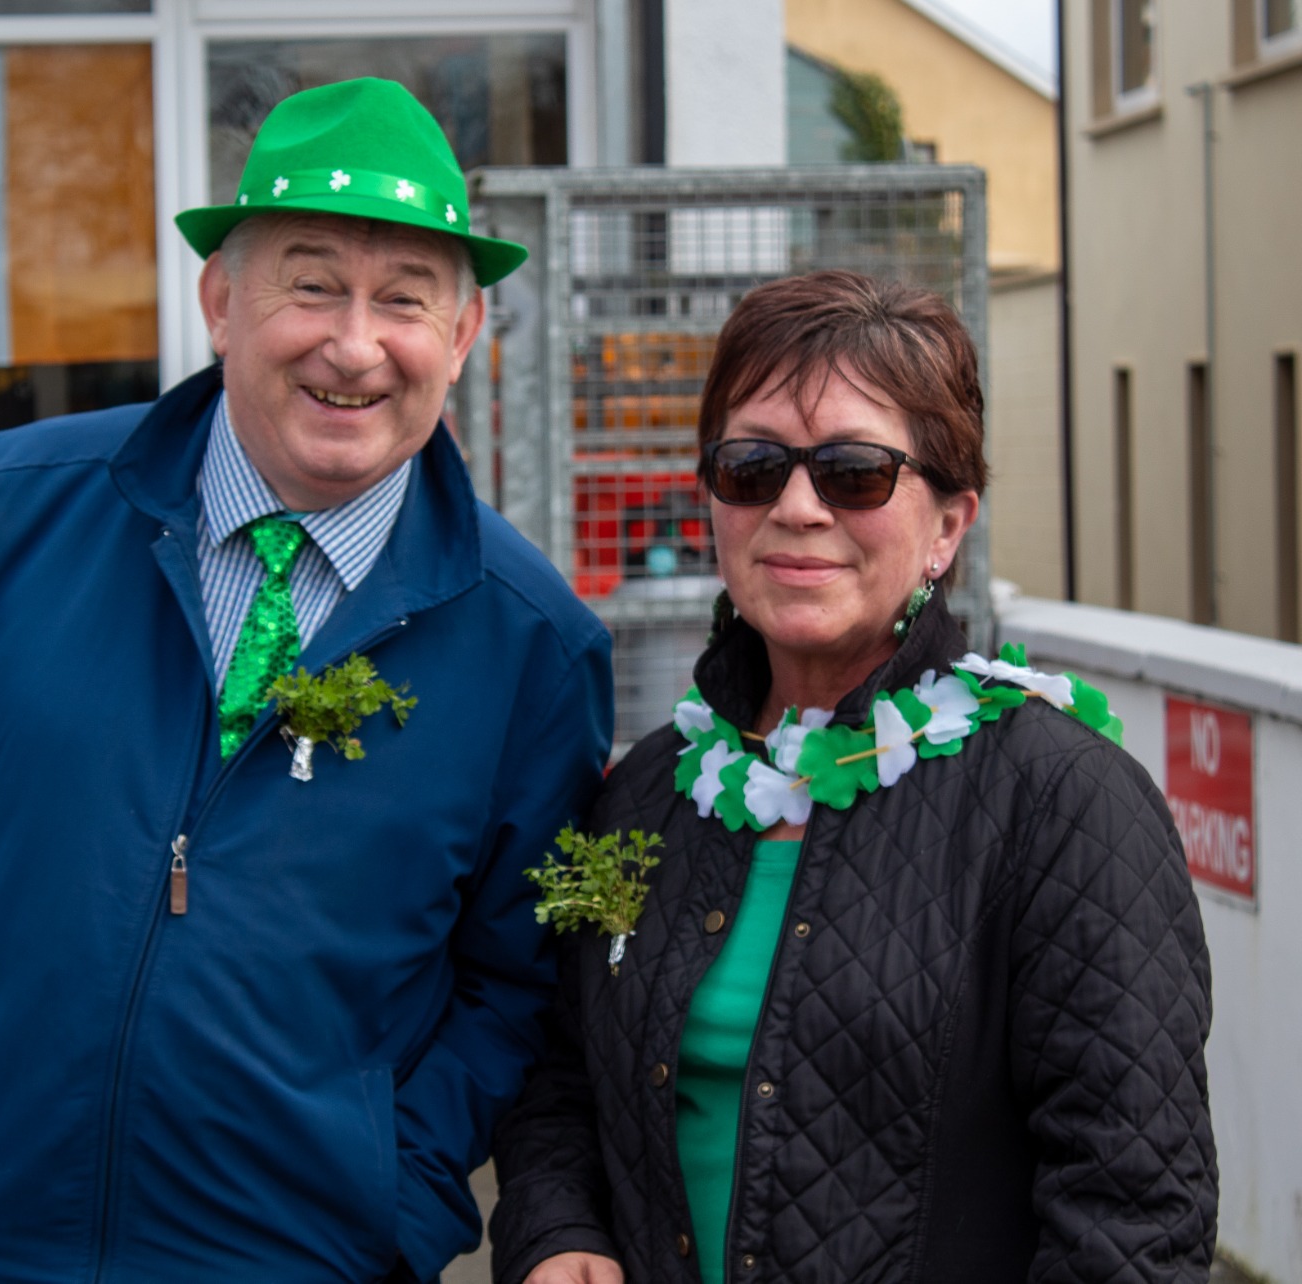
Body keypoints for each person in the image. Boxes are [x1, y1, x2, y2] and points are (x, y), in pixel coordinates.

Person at [0, 77, 613, 1283]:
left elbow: (520, 980)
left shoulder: (531, 641)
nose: (354, 344)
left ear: (466, 335)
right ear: (222, 299)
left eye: (404, 301)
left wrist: (398, 1185)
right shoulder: (3, 512)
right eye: (311, 282)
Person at [489, 271, 1217, 1284]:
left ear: (948, 526)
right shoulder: (647, 794)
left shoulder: (1057, 800)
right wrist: (556, 1232)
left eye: (854, 472)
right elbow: (559, 1079)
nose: (795, 507)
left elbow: (1133, 1213)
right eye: (751, 465)